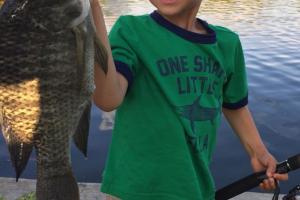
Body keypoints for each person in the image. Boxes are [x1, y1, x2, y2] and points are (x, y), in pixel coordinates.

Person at [90, 0, 288, 199]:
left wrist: (258, 152)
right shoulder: (130, 31)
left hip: (194, 189)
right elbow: (108, 99)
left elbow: (235, 106)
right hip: (131, 190)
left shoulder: (228, 44)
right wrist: (92, 9)